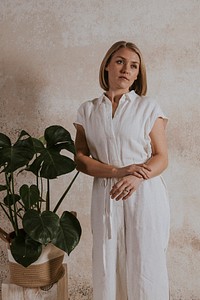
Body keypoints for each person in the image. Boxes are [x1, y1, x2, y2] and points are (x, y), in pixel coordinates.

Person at [74, 41, 170, 300]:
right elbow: (81, 160)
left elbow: (161, 157)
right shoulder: (87, 111)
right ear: (107, 65)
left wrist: (136, 177)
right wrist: (119, 171)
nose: (126, 69)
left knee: (145, 266)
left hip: (145, 194)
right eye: (119, 61)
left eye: (134, 65)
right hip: (107, 195)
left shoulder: (148, 107)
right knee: (108, 264)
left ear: (138, 74)